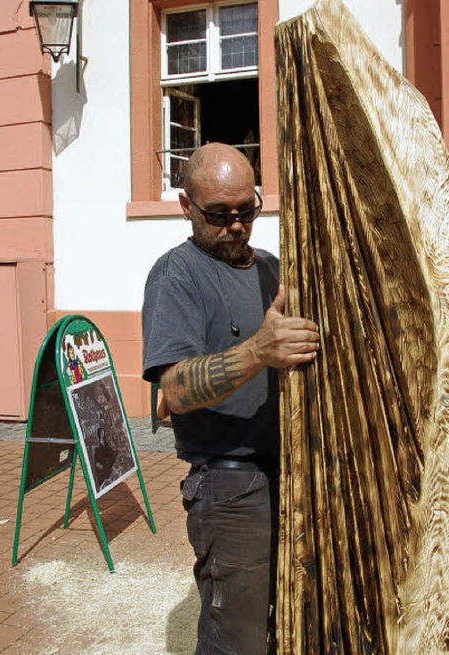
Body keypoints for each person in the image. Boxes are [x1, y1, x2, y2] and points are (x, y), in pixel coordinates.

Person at [142, 143, 320, 654]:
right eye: (219, 214)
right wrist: (258, 351)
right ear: (185, 206)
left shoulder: (272, 267)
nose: (236, 225)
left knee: (286, 618)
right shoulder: (177, 274)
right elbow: (172, 388)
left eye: (248, 209)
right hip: (230, 486)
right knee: (235, 638)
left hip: (290, 472)